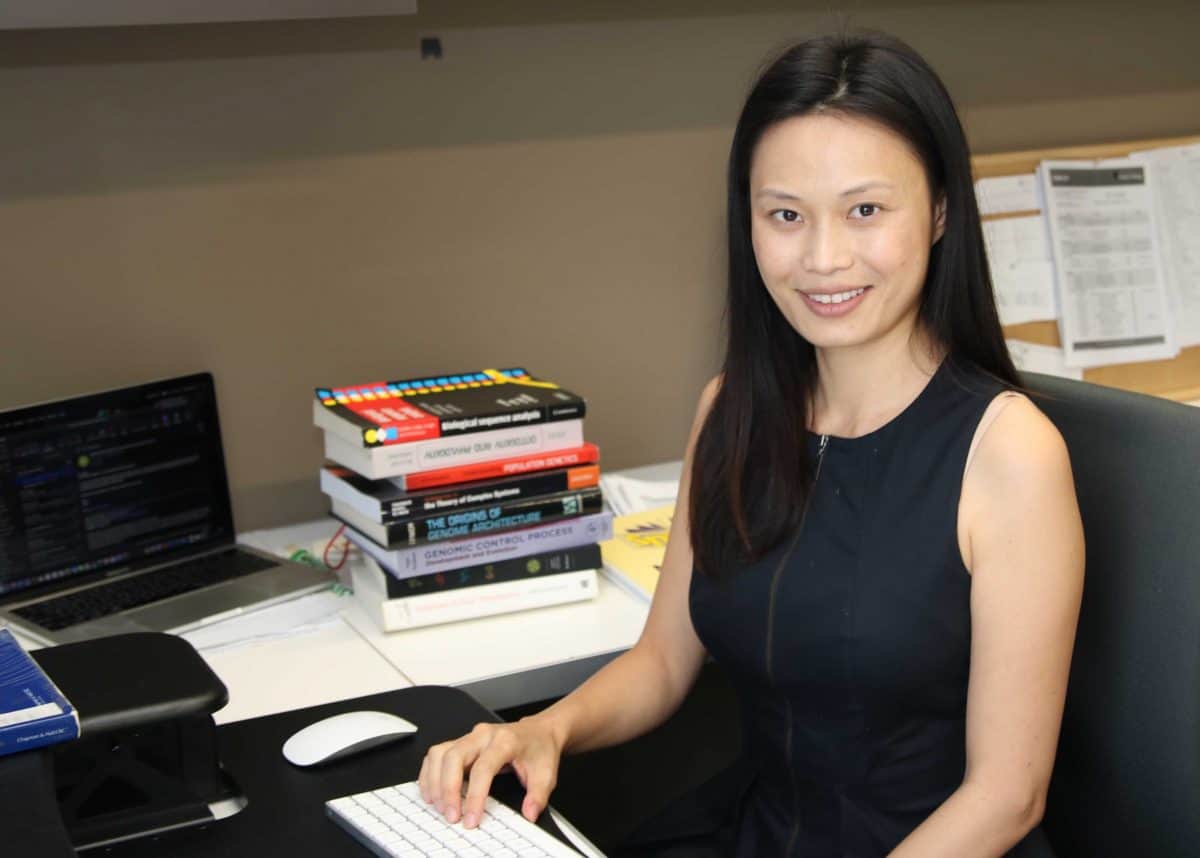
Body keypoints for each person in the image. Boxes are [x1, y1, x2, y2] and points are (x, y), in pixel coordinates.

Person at [418, 29, 1084, 857]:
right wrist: (543, 730)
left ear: (941, 210)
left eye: (865, 210)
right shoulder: (731, 410)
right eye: (786, 216)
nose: (823, 258)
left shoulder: (1010, 453)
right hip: (759, 831)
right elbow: (664, 662)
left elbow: (1007, 795)